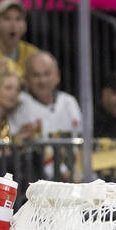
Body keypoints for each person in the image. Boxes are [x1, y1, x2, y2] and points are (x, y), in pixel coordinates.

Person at [9, 51, 82, 180]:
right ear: (25, 78)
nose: (42, 81)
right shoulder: (19, 104)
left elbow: (82, 144)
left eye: (47, 74)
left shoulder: (69, 102)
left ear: (57, 75)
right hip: (37, 180)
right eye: (36, 75)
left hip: (75, 176)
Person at [0, 0, 39, 83]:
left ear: (25, 26)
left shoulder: (33, 54)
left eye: (18, 19)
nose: (13, 24)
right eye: (7, 18)